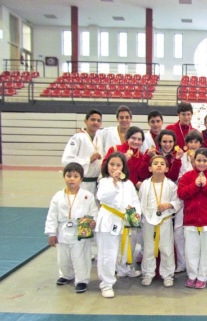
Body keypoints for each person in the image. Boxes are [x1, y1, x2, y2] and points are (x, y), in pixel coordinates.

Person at [44, 163, 98, 294]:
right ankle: (66, 274)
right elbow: (52, 215)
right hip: (63, 231)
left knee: (81, 257)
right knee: (63, 257)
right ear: (64, 177)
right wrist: (52, 233)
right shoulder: (57, 196)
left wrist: (93, 221)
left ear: (81, 178)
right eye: (69, 176)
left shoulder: (87, 196)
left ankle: (81, 280)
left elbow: (94, 211)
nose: (72, 179)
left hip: (81, 230)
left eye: (75, 176)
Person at [96, 152, 142, 298]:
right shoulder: (104, 181)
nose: (114, 168)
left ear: (123, 167)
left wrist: (135, 217)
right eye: (112, 164)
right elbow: (103, 197)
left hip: (125, 219)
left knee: (125, 247)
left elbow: (134, 201)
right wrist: (114, 184)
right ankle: (106, 284)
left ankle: (124, 269)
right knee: (107, 253)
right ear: (106, 166)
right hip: (109, 220)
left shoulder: (128, 183)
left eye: (118, 165)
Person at [177, 148, 207, 289]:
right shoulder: (187, 177)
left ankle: (203, 276)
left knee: (205, 250)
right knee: (190, 250)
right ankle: (192, 275)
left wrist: (206, 185)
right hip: (190, 221)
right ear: (193, 161)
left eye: (205, 160)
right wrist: (194, 185)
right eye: (199, 160)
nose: (202, 163)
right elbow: (181, 194)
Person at [139, 155, 181, 288]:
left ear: (167, 168)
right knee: (148, 248)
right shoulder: (145, 184)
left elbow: (178, 201)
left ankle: (168, 274)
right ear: (150, 168)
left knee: (166, 248)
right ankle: (148, 273)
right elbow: (140, 202)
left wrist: (169, 205)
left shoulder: (171, 185)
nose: (158, 165)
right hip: (149, 220)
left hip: (165, 220)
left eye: (162, 163)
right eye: (155, 163)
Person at [173, 130, 204, 273]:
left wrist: (194, 163)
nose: (193, 144)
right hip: (183, 195)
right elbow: (178, 176)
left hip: (199, 198)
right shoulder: (182, 156)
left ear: (200, 143)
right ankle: (182, 262)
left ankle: (198, 262)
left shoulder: (204, 157)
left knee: (197, 231)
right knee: (178, 230)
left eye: (196, 142)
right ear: (186, 144)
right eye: (190, 142)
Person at [62, 109, 103, 196]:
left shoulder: (100, 136)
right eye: (92, 119)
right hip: (82, 183)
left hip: (97, 183)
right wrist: (88, 160)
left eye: (98, 120)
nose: (96, 122)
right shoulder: (78, 137)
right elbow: (66, 160)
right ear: (85, 121)